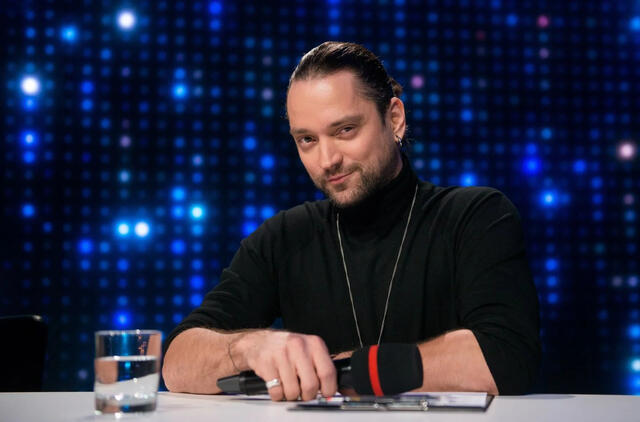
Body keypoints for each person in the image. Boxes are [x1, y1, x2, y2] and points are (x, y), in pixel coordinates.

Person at [162, 41, 541, 401]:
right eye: (307, 140)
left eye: (345, 130)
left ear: (395, 118)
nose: (327, 160)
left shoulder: (475, 216)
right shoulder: (283, 237)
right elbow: (177, 364)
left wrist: (342, 372)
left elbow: (505, 358)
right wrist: (250, 346)